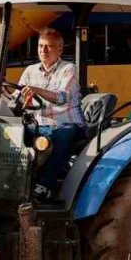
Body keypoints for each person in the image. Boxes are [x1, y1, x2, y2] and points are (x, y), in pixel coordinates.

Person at [15, 27, 85, 200]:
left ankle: (44, 187)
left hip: (65, 122)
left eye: (49, 47)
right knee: (11, 133)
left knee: (62, 134)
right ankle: (14, 181)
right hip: (38, 123)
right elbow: (17, 97)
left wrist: (37, 91)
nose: (43, 51)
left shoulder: (69, 69)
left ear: (59, 49)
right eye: (40, 46)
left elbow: (62, 98)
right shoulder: (30, 71)